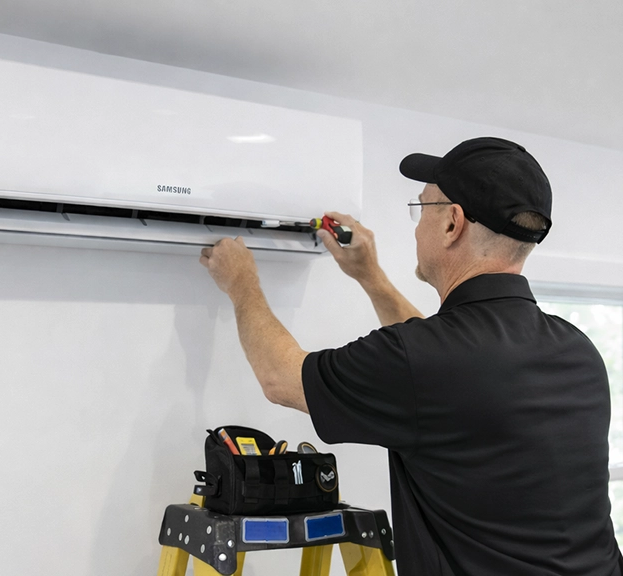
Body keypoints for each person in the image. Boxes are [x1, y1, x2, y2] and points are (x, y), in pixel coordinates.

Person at [199, 137, 622, 575]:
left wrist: (241, 281)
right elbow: (445, 364)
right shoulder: (578, 350)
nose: (416, 225)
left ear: (452, 224)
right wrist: (370, 277)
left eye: (421, 208)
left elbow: (280, 377)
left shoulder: (427, 359)